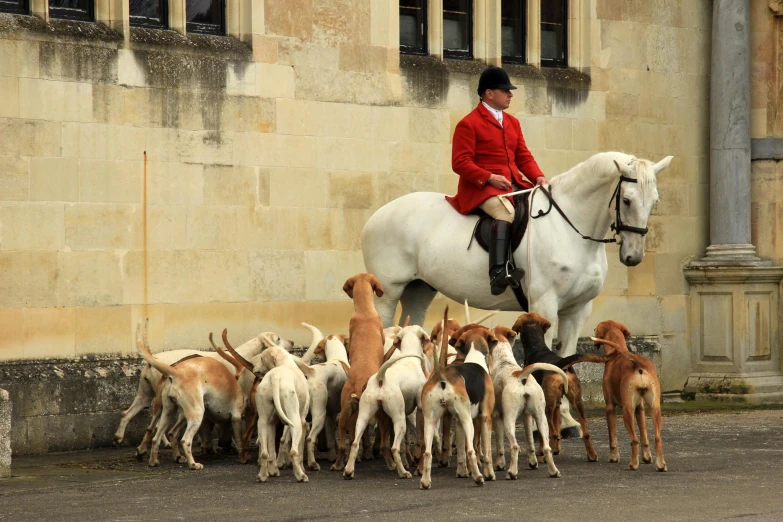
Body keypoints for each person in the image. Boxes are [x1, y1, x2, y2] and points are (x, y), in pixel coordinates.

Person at [446, 66, 549, 296]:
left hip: (514, 185)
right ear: (489, 93)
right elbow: (460, 162)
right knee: (507, 214)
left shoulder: (512, 122)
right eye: (505, 90)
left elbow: (523, 156)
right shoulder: (469, 123)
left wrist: (538, 176)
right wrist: (490, 177)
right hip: (481, 189)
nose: (510, 94)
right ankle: (498, 272)